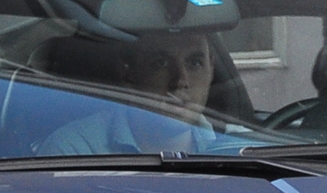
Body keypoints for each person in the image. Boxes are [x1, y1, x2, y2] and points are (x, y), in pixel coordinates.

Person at [36, 31, 231, 156]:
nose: (180, 81)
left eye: (194, 63)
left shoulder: (239, 149)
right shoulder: (74, 152)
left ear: (211, 69)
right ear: (128, 73)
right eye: (160, 64)